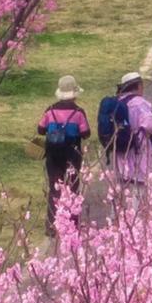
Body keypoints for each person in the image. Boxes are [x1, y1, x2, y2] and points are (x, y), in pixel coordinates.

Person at [37, 76, 90, 238]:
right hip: (72, 155)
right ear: (74, 94)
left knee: (54, 189)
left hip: (53, 155)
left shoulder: (50, 110)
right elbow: (85, 133)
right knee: (72, 188)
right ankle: (72, 224)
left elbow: (40, 129)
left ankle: (52, 224)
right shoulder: (78, 113)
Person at [113, 72, 152, 187]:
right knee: (140, 181)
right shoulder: (140, 103)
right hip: (139, 145)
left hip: (121, 145)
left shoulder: (118, 102)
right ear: (138, 86)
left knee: (124, 180)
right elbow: (149, 125)